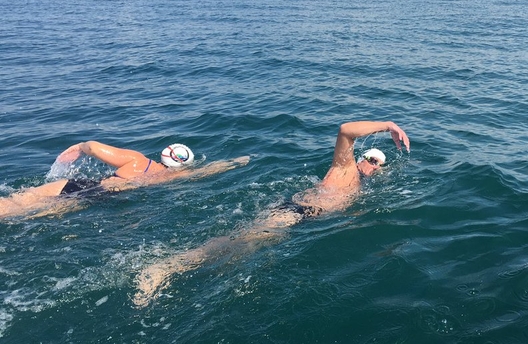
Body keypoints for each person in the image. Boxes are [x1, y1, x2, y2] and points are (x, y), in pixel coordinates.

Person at [133, 120, 410, 306]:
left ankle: (186, 276)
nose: (373, 165)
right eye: (370, 159)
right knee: (240, 241)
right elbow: (346, 130)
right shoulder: (344, 169)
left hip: (304, 222)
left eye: (379, 164)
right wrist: (387, 126)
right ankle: (165, 267)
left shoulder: (362, 188)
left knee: (240, 253)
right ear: (361, 158)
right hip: (296, 212)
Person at [0, 141, 250, 219]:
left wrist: (78, 147)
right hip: (109, 201)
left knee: (23, 199)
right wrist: (240, 160)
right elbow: (213, 170)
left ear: (164, 153)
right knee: (33, 215)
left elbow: (94, 147)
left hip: (89, 187)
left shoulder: (138, 161)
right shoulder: (179, 176)